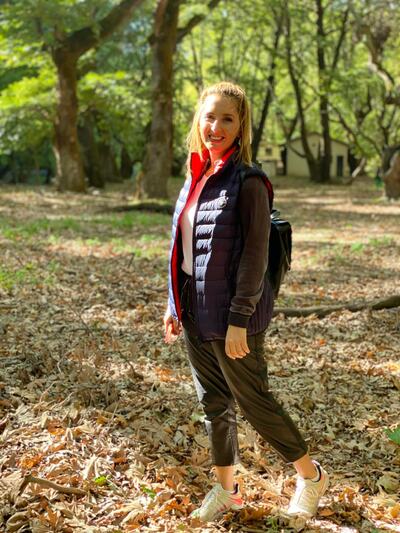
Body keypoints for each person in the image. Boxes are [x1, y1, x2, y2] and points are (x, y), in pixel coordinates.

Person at [163, 81, 329, 523]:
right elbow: (181, 247)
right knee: (213, 403)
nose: (216, 127)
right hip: (194, 310)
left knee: (255, 401)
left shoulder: (249, 181)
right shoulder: (195, 175)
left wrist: (239, 318)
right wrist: (172, 304)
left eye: (227, 119)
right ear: (198, 121)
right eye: (210, 116)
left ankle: (311, 476)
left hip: (233, 315)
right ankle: (227, 490)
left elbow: (255, 256)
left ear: (241, 126)